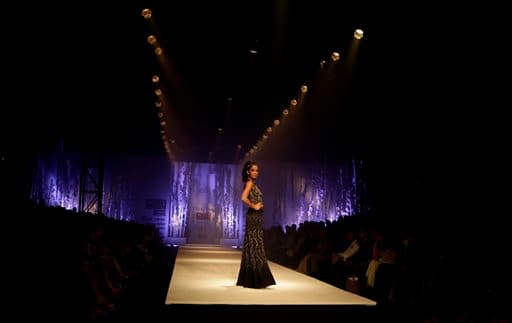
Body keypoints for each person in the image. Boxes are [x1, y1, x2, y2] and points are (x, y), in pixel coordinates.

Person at [236, 160, 276, 288]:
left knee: (252, 245)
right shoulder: (249, 183)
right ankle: (256, 278)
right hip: (253, 217)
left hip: (255, 217)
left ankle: (249, 278)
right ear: (248, 172)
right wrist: (255, 206)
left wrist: (257, 206)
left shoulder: (252, 183)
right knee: (255, 246)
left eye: (257, 170)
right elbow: (243, 198)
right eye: (253, 170)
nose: (256, 172)